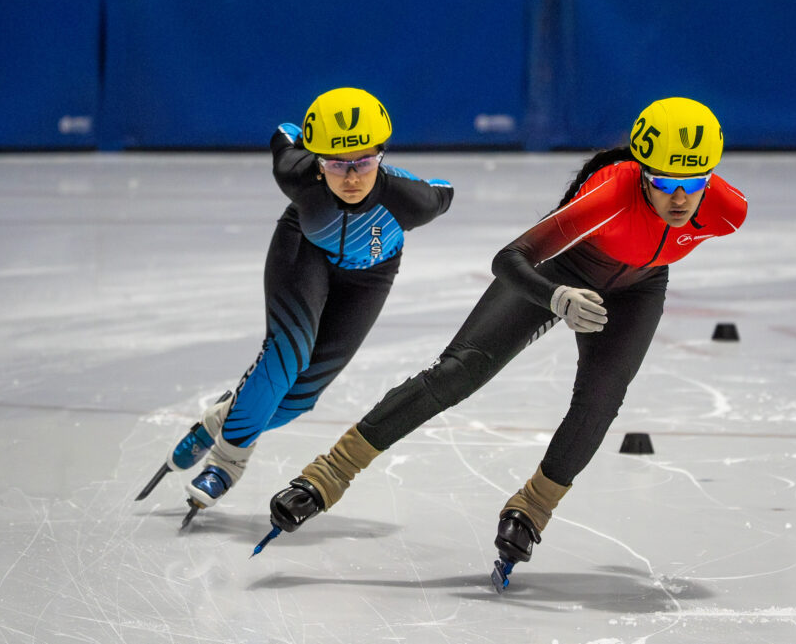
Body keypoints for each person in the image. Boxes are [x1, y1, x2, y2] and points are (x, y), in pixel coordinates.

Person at [265, 97, 747, 579]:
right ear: (643, 173)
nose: (680, 199)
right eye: (665, 183)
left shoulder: (728, 210)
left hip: (638, 288)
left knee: (601, 399)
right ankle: (328, 475)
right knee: (458, 373)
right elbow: (509, 259)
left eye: (694, 183)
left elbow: (675, 226)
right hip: (555, 270)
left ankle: (533, 510)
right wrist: (557, 296)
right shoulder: (610, 195)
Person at [135, 87, 454, 526]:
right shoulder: (297, 173)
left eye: (364, 161)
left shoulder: (409, 201)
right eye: (336, 164)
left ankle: (218, 421)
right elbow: (284, 134)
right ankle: (225, 464)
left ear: (382, 153)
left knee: (299, 397)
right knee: (288, 353)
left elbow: (443, 190)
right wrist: (304, 141)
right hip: (302, 249)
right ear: (316, 161)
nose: (352, 176)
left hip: (369, 276)